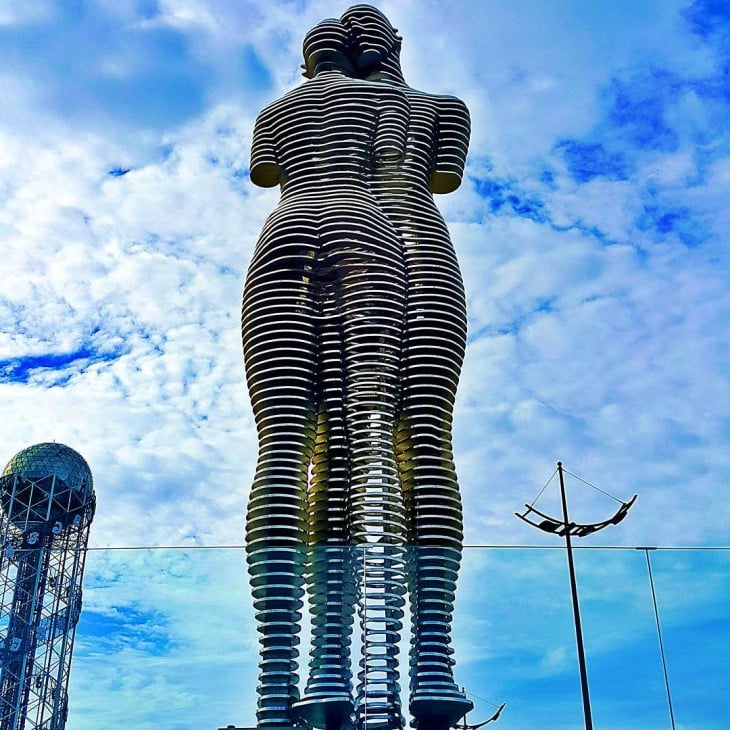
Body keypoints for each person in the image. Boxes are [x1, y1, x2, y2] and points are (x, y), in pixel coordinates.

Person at [243, 18, 410, 729]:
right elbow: (398, 173)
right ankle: (365, 680)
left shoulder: (273, 111)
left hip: (283, 232)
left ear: (305, 57)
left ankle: (275, 684)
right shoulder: (387, 103)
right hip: (364, 227)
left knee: (282, 444)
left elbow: (266, 173)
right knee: (370, 437)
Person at [338, 6, 473, 730]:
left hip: (382, 239)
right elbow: (442, 176)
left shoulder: (433, 108)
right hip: (410, 238)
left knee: (377, 443)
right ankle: (418, 666)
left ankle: (408, 664)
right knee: (409, 441)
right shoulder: (438, 108)